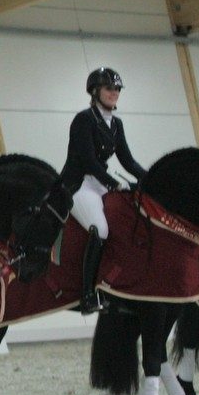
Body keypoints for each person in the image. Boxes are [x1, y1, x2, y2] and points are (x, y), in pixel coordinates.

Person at [60, 67, 147, 314]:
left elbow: (128, 161)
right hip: (78, 184)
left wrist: (151, 180)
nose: (114, 93)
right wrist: (114, 184)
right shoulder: (84, 120)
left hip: (99, 183)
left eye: (117, 89)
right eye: (109, 89)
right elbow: (88, 161)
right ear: (96, 91)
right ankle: (87, 294)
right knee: (101, 228)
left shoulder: (116, 124)